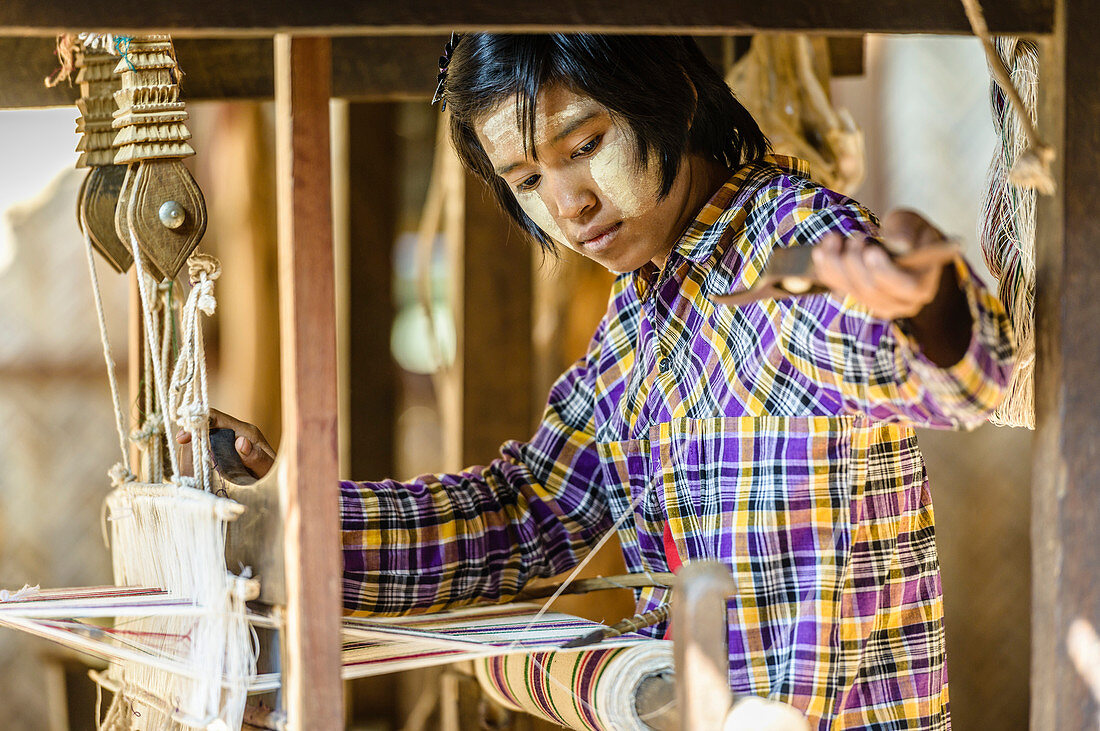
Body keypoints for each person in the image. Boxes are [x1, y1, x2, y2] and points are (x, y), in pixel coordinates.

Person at [184, 34, 1014, 729]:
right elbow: (529, 511)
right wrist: (288, 516)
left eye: (584, 146)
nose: (569, 203)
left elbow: (954, 379)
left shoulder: (791, 240)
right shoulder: (640, 312)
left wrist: (926, 300)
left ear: (672, 93)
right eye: (528, 180)